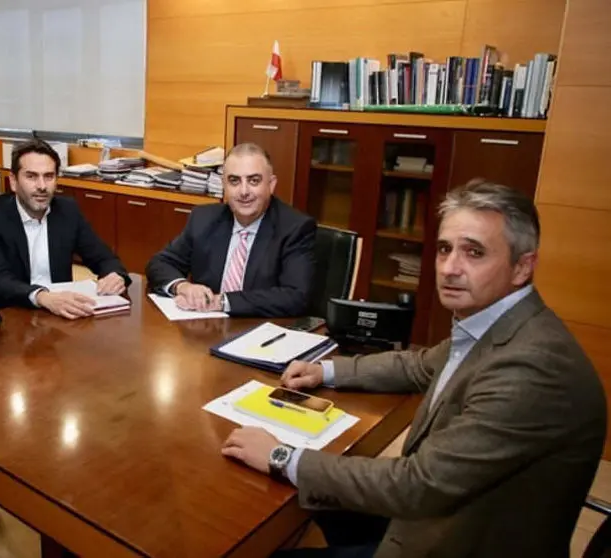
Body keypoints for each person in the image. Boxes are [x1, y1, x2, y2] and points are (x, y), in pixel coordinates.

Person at [221, 180, 607, 558]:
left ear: (523, 267)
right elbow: (420, 363)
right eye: (444, 249)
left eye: (474, 253)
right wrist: (327, 372)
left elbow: (415, 485)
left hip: (457, 537)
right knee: (314, 500)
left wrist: (283, 457)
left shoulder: (533, 367)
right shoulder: (502, 322)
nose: (450, 268)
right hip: (448, 514)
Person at [145, 142, 315, 317]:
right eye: (234, 181)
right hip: (205, 329)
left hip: (259, 332)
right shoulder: (204, 219)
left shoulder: (295, 228)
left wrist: (221, 302)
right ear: (224, 186)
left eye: (254, 181)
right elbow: (159, 263)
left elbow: (295, 296)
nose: (243, 191)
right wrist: (182, 286)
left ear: (271, 185)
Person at [0, 139, 131, 318]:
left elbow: (103, 257)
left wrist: (115, 275)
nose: (42, 186)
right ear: (13, 182)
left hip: (61, 316)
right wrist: (42, 296)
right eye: (31, 176)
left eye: (48, 176)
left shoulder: (67, 211)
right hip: (13, 314)